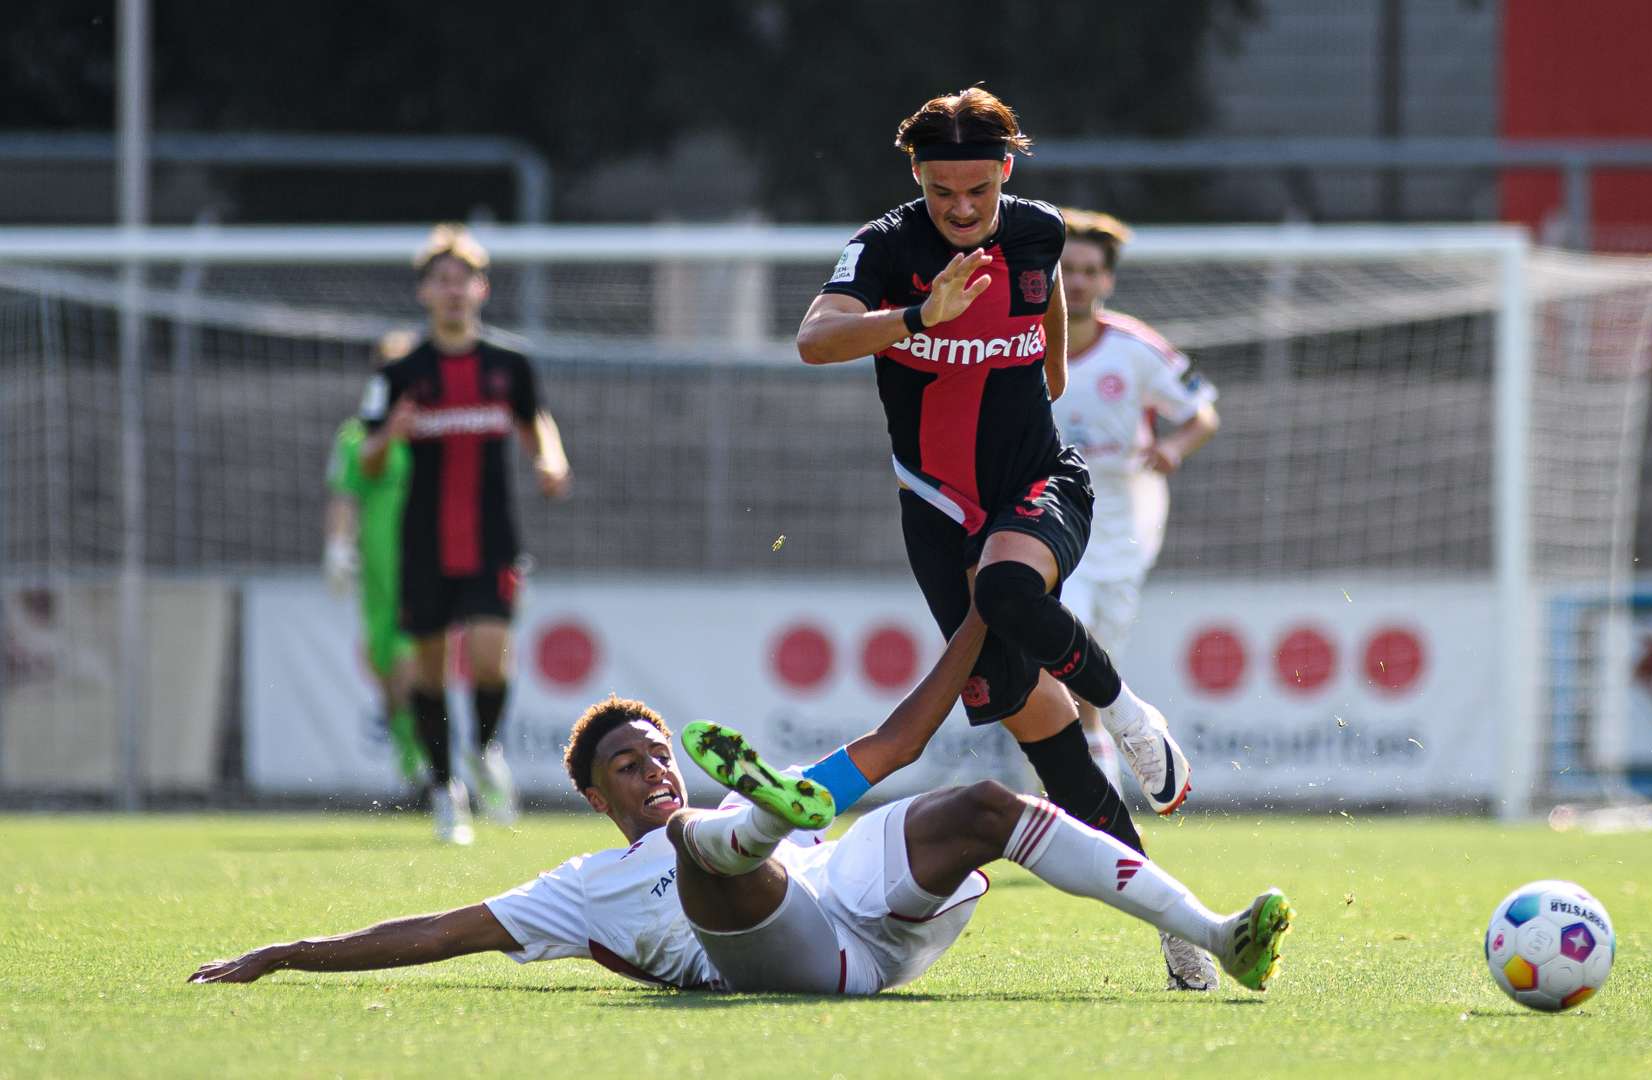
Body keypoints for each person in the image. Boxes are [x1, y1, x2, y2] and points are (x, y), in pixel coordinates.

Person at [188, 609, 1294, 996]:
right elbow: (439, 931)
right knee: (702, 864)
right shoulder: (577, 891)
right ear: (588, 794)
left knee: (978, 802)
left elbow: (902, 735)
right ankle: (754, 819)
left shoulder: (672, 820)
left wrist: (980, 617)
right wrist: (288, 953)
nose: (651, 767)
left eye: (659, 753)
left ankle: (1216, 936)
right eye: (629, 766)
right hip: (783, 954)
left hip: (853, 899)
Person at [796, 86, 1211, 987]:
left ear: (1005, 175)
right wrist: (917, 320)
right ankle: (1169, 914)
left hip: (1037, 483)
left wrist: (1045, 373)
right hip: (938, 513)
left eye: (977, 190)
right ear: (917, 176)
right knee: (1052, 745)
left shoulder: (1036, 230)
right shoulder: (882, 247)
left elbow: (1050, 315)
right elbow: (814, 340)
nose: (961, 208)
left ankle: (1137, 720)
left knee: (1009, 591)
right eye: (943, 190)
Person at [359, 224, 572, 844]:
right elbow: (368, 460)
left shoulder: (510, 364)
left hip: (492, 539)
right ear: (425, 292)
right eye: (441, 281)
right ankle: (445, 788)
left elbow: (538, 424)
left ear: (481, 289)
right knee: (427, 668)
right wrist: (389, 435)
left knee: (486, 655)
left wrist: (550, 460)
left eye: (463, 280)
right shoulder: (400, 372)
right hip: (423, 542)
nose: (453, 292)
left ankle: (483, 752)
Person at [1052, 210, 1220, 785]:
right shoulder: (1022, 343)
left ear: (1106, 281)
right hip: (1051, 515)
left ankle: (1077, 777)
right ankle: (1084, 788)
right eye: (1066, 269)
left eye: (1089, 271)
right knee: (1062, 641)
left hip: (1126, 518)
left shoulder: (1136, 349)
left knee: (1100, 657)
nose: (1076, 281)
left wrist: (1174, 448)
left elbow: (1202, 414)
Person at [325, 330, 432, 793]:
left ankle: (441, 767)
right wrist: (338, 548)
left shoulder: (434, 434)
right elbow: (345, 496)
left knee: (416, 669)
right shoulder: (356, 436)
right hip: (378, 575)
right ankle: (413, 764)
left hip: (426, 569)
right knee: (389, 676)